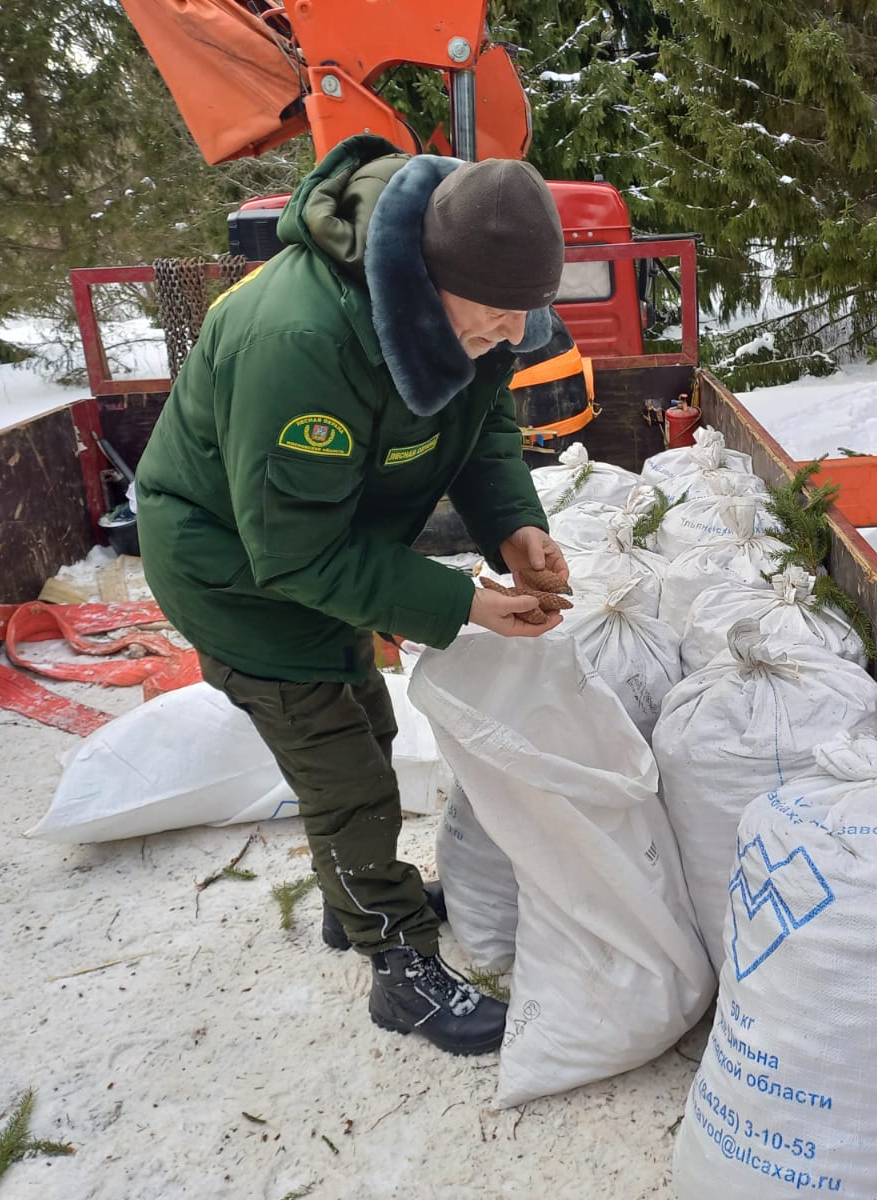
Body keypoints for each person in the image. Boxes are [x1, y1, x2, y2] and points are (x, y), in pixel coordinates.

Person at [134, 134, 571, 1058]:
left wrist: (514, 527)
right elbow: (291, 553)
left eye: (518, 322)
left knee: (363, 728)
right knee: (345, 769)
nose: (505, 338)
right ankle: (396, 965)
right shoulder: (299, 341)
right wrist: (461, 606)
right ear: (421, 275)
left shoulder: (472, 306)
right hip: (237, 574)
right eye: (490, 319)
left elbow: (482, 421)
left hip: (322, 549)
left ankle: (354, 896)